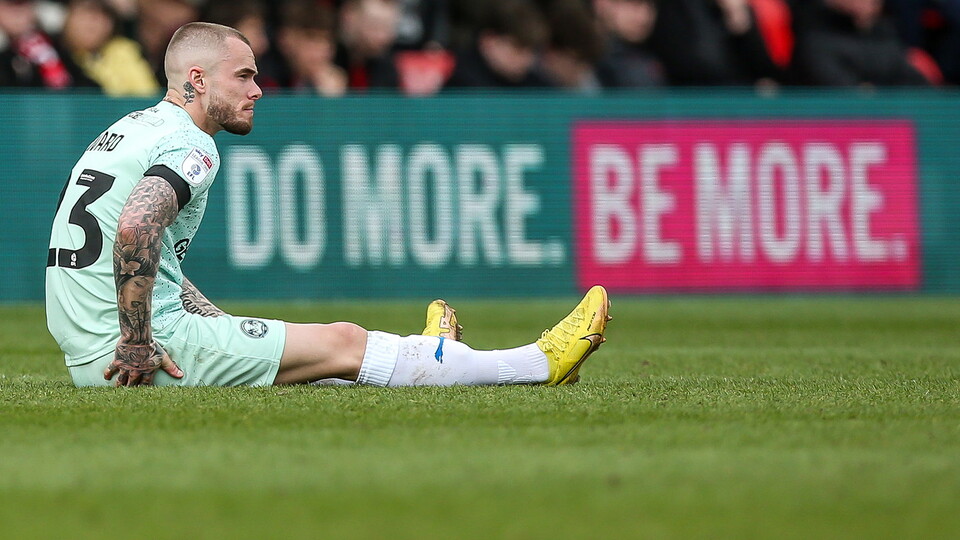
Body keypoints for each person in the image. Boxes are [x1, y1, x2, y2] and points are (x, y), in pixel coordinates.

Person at [45, 22, 612, 388]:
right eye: (243, 76)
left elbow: (151, 250)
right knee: (343, 341)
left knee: (316, 366)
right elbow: (137, 226)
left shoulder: (133, 127)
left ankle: (428, 353)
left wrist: (213, 319)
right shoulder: (191, 144)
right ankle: (536, 365)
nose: (257, 90)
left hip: (92, 349)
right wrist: (139, 344)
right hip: (128, 355)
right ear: (197, 79)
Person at [59, 0, 159, 96]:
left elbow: (147, 95)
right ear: (67, 17)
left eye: (103, 15)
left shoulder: (123, 51)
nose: (93, 22)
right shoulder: (51, 53)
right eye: (85, 13)